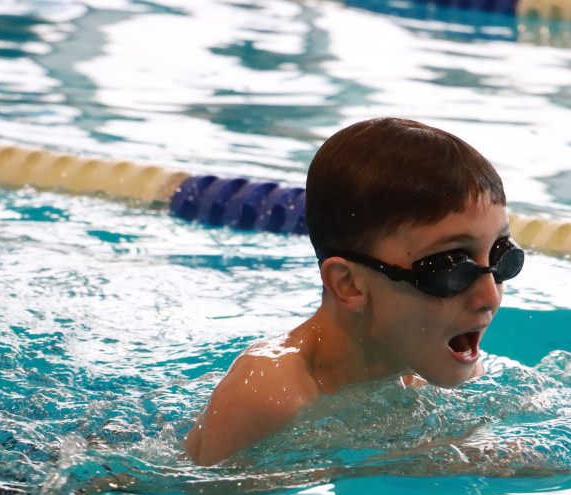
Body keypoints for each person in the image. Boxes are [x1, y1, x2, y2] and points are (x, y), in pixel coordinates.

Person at [184, 118, 524, 466]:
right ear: (349, 284)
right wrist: (408, 464)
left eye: (502, 254)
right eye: (451, 268)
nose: (490, 296)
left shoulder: (433, 366)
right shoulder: (268, 394)